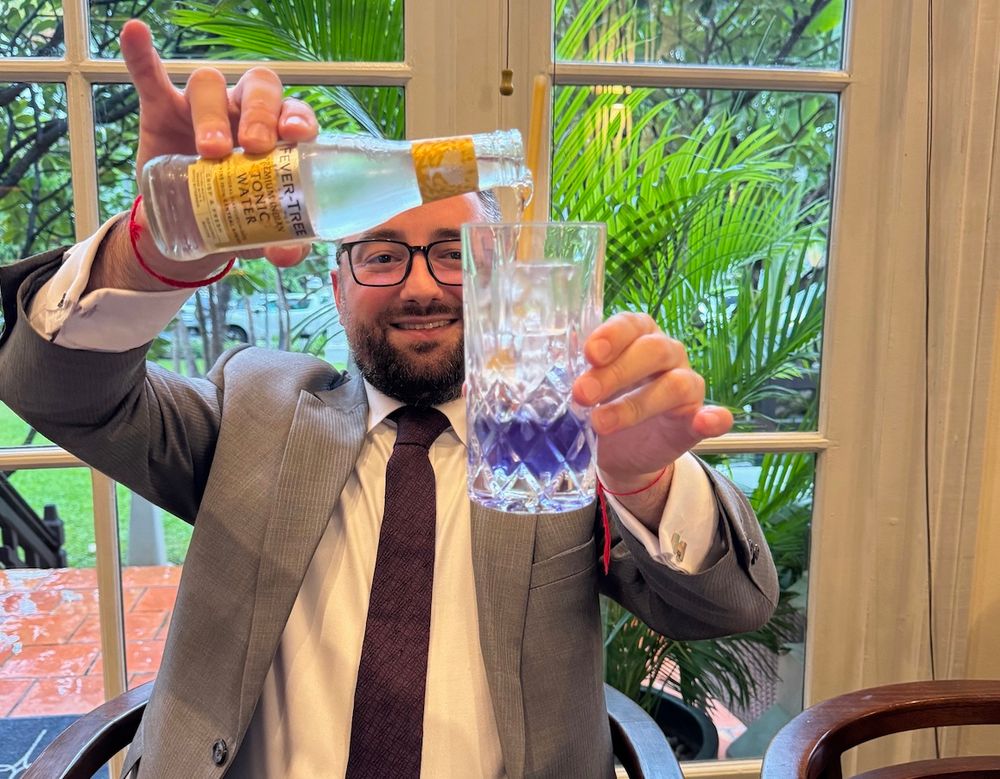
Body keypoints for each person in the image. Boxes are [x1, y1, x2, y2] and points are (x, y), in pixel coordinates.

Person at [0, 19, 777, 779]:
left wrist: (643, 482)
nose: (420, 286)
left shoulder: (553, 443)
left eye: (454, 254)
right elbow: (60, 393)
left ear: (501, 280)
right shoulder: (253, 404)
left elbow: (731, 605)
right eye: (380, 255)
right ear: (338, 287)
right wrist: (155, 248)